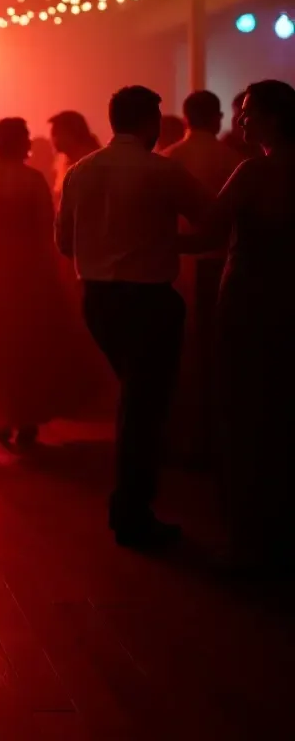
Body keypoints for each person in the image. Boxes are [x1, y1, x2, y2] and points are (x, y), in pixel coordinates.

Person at [57, 86, 210, 548]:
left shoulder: (81, 172)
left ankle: (130, 506)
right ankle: (132, 510)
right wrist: (167, 244)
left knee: (134, 400)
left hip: (99, 300)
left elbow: (65, 244)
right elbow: (210, 218)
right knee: (145, 406)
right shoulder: (161, 170)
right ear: (149, 123)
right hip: (149, 301)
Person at [0, 119, 108, 445]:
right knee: (30, 339)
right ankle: (27, 417)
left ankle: (0, 416)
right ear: (20, 144)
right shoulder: (34, 179)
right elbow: (47, 223)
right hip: (30, 265)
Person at [191, 81, 295, 572]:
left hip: (251, 301)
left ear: (274, 117)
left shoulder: (255, 171)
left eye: (250, 112)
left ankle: (249, 536)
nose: (242, 120)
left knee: (245, 414)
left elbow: (210, 225)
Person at [163, 91, 241, 464]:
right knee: (213, 350)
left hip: (173, 264)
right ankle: (211, 435)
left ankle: (179, 435)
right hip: (217, 262)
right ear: (218, 117)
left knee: (177, 351)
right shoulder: (232, 161)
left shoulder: (167, 158)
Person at [49, 110, 100, 205]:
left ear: (72, 133)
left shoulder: (91, 164)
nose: (52, 139)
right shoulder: (63, 162)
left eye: (56, 133)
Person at [221, 90, 261, 161]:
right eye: (235, 113)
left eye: (242, 113)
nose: (236, 120)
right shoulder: (225, 146)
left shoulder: (264, 151)